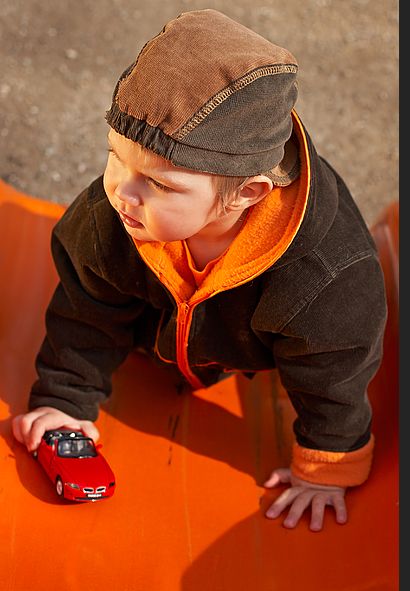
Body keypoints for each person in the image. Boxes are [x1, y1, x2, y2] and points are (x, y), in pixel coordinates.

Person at [12, 9, 387, 532]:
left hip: (249, 344)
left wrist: (327, 466)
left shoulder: (325, 277)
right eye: (114, 156)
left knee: (323, 350)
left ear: (250, 192)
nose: (122, 188)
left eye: (159, 184)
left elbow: (336, 370)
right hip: (157, 330)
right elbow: (85, 310)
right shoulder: (114, 216)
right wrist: (64, 401)